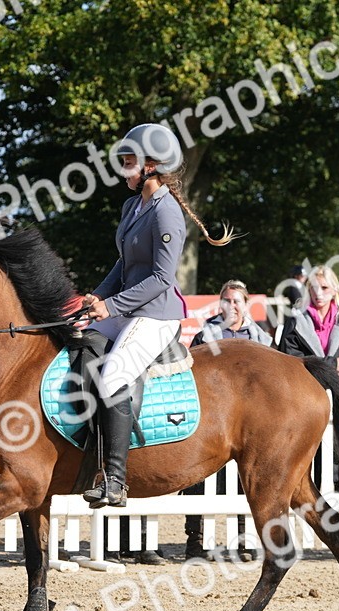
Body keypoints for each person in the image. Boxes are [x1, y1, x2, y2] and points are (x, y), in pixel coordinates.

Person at [77, 122, 236, 515]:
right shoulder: (133, 206)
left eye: (128, 162)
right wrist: (98, 295)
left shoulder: (167, 212)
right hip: (127, 308)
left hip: (155, 315)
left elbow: (162, 278)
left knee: (114, 374)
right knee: (82, 339)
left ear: (151, 165)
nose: (123, 169)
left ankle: (114, 479)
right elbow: (123, 263)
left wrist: (111, 307)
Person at [184, 280, 272, 560]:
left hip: (248, 421)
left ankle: (243, 542)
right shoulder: (205, 335)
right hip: (211, 417)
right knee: (195, 479)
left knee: (244, 481)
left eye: (237, 301)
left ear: (246, 305)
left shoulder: (262, 339)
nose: (231, 306)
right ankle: (194, 542)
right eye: (227, 300)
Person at [276, 265, 339, 392]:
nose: (318, 293)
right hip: (304, 398)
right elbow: (289, 361)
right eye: (314, 288)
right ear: (309, 290)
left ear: (334, 290)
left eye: (324, 288)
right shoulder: (295, 323)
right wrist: (332, 364)